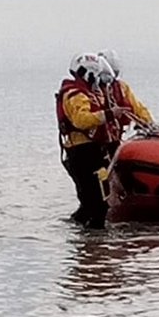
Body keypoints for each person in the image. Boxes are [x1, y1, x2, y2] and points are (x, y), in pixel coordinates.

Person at [56, 52, 130, 228]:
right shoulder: (75, 95)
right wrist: (110, 114)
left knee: (91, 203)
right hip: (82, 153)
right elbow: (82, 120)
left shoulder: (89, 93)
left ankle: (86, 243)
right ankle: (94, 245)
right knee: (97, 203)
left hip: (91, 151)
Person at [97, 48, 153, 156]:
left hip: (114, 139)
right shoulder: (92, 92)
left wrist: (149, 123)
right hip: (96, 142)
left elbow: (137, 108)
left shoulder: (122, 88)